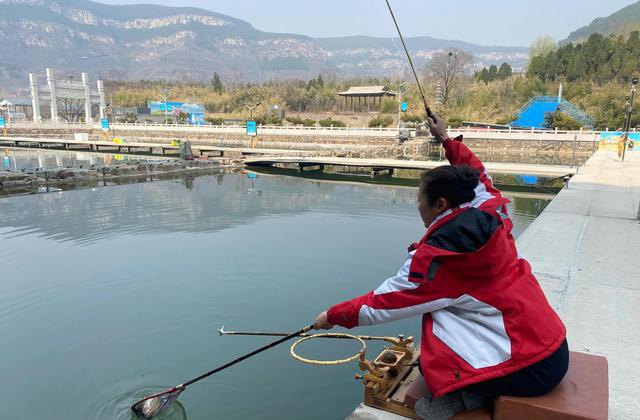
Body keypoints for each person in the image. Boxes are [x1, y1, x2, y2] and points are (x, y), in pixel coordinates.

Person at [314, 114, 568, 419]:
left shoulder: (441, 258)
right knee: (436, 341)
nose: (418, 205)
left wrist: (332, 316)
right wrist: (445, 139)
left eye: (420, 199)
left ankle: (468, 397)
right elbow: (476, 172)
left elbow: (383, 303)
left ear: (442, 204)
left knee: (431, 362)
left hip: (529, 369)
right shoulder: (488, 209)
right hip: (551, 345)